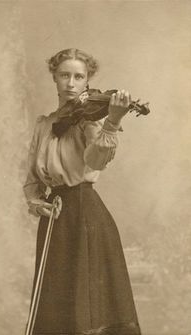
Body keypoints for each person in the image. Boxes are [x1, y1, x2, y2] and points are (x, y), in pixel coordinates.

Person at [23, 48, 141, 335]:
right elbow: (31, 182)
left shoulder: (89, 120)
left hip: (86, 218)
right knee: (56, 307)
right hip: (55, 219)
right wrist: (39, 204)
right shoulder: (44, 125)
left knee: (89, 309)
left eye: (79, 76)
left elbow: (96, 159)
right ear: (54, 78)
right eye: (65, 75)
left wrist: (113, 120)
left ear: (88, 80)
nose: (71, 83)